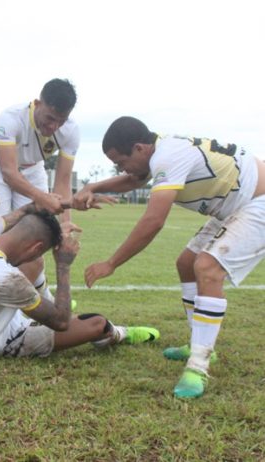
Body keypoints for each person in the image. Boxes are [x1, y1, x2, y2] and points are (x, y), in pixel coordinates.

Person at [72, 116, 265, 399]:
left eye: (121, 161)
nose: (122, 168)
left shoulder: (166, 156)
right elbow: (133, 179)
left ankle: (198, 366)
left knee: (207, 268)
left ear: (139, 148)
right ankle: (197, 343)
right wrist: (92, 188)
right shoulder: (160, 149)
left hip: (257, 201)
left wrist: (110, 263)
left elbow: (154, 221)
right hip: (235, 205)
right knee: (186, 264)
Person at [0, 202, 160, 359]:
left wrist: (59, 221)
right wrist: (63, 265)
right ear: (36, 246)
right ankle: (118, 334)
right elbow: (61, 322)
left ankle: (45, 306)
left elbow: (26, 210)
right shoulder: (8, 280)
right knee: (97, 323)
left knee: (33, 263)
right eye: (41, 250)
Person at [0, 78, 80, 302]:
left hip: (33, 170)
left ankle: (41, 297)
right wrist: (42, 198)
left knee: (36, 236)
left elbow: (63, 181)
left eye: (60, 121)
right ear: (37, 103)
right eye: (50, 118)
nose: (53, 127)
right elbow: (9, 172)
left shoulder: (71, 131)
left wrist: (64, 226)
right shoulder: (11, 118)